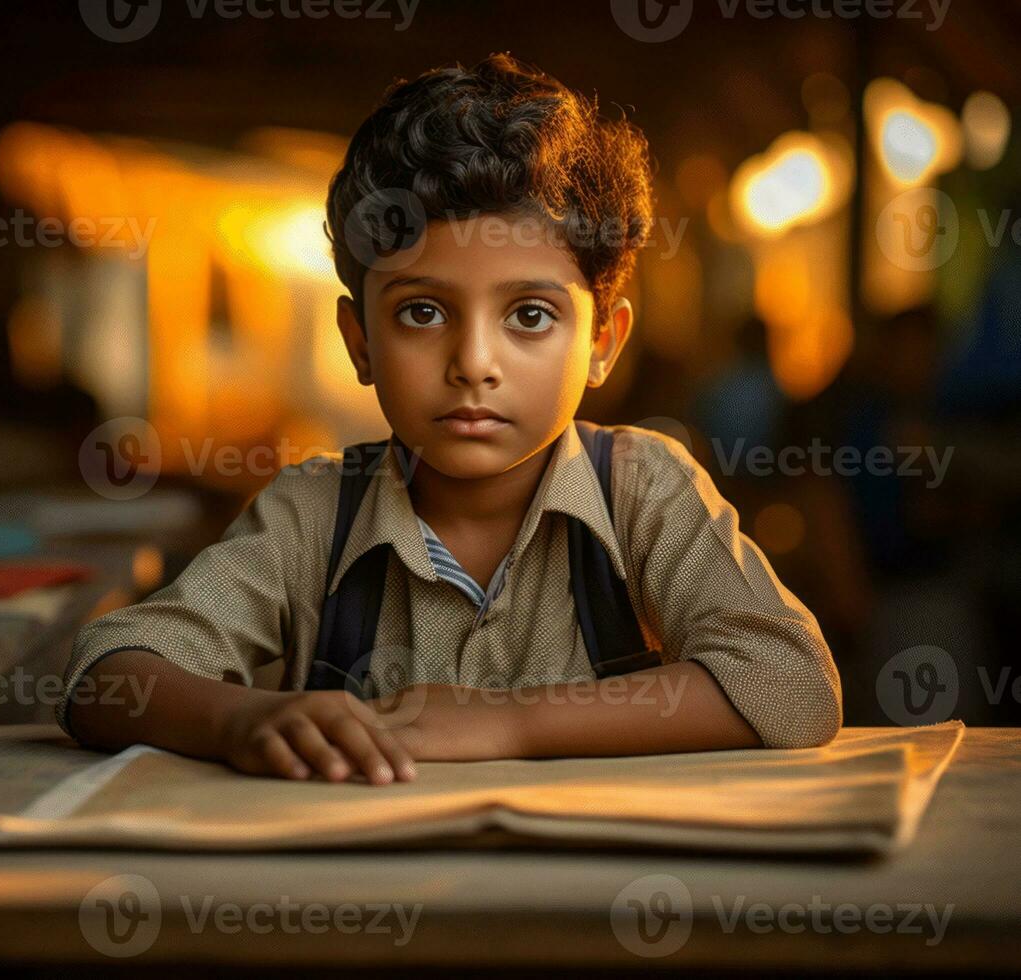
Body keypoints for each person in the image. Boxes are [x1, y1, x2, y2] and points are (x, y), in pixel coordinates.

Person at [56, 54, 841, 784]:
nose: (473, 361)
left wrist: (513, 723)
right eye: (423, 311)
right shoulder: (312, 519)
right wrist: (240, 718)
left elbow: (789, 683)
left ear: (602, 342)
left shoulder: (641, 490)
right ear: (358, 342)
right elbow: (106, 674)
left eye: (529, 315)